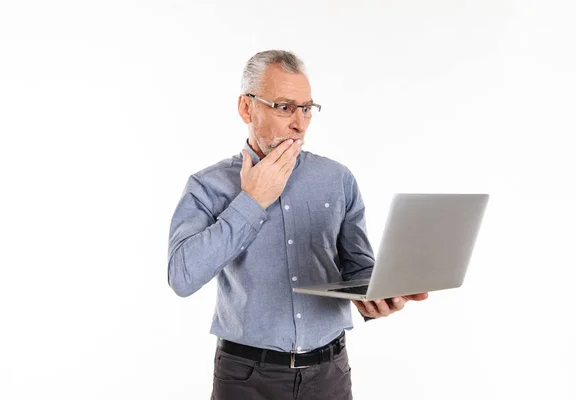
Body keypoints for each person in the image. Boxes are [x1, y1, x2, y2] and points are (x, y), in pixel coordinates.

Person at [167, 50, 428, 400]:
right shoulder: (207, 186)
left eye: (307, 109)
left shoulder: (337, 179)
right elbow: (182, 277)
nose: (300, 123)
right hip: (246, 378)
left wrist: (379, 296)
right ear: (247, 108)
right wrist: (253, 201)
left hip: (329, 374)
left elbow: (359, 270)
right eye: (285, 107)